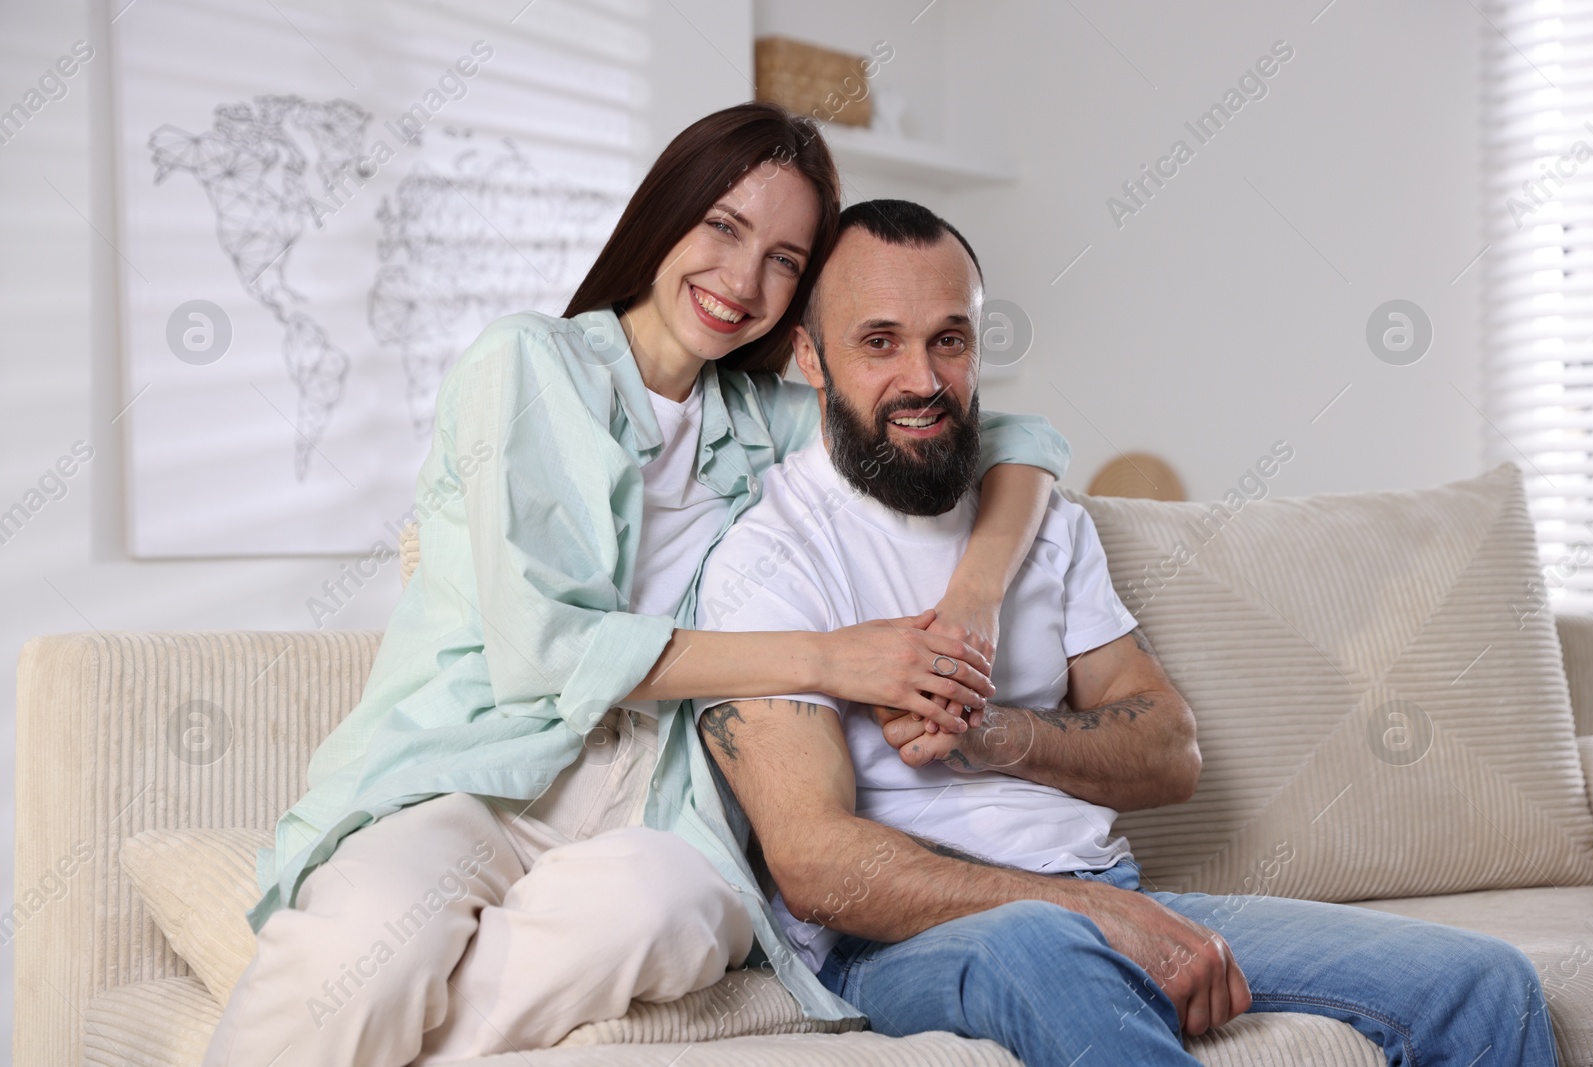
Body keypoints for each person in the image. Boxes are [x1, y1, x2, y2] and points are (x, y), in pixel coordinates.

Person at [203, 106, 1074, 1067]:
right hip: (474, 775)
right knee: (366, 941)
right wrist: (835, 658)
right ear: (667, 212)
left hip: (660, 805)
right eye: (725, 228)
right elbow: (549, 648)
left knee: (679, 912)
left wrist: (973, 599)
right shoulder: (528, 363)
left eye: (785, 260)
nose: (744, 282)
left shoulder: (771, 420)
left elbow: (1016, 440)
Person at [692, 198, 1559, 1067]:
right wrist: (1099, 917)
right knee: (1042, 948)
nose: (922, 379)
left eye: (949, 340)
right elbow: (813, 862)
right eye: (878, 342)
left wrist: (997, 735)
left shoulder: (1043, 524)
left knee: (1486, 981)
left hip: (1106, 888)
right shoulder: (770, 561)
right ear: (809, 355)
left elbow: (1169, 750)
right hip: (910, 944)